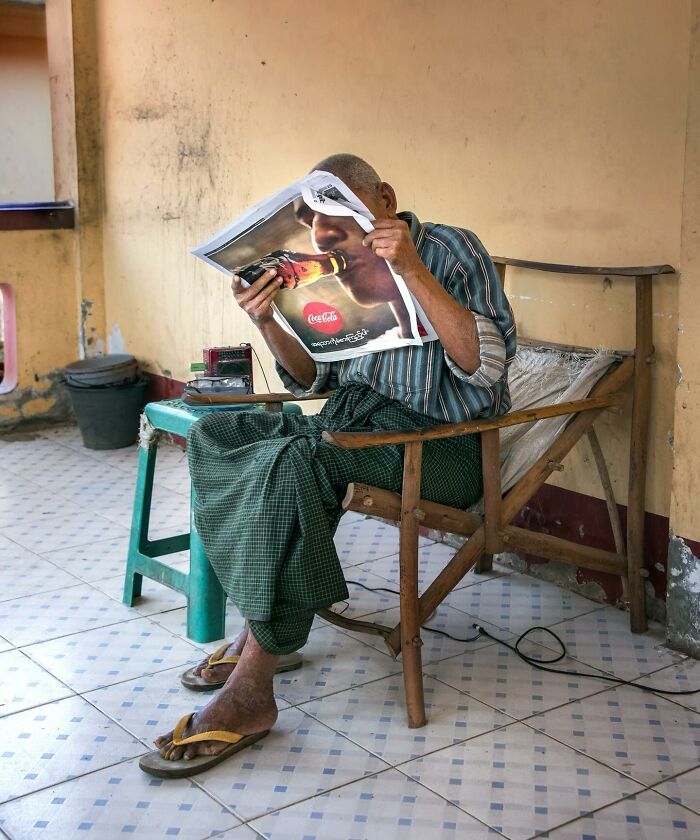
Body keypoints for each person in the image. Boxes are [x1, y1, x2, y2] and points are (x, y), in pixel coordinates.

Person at [139, 153, 516, 778]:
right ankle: (268, 626)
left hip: (445, 444)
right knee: (222, 435)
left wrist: (412, 269)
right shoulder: (328, 265)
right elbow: (312, 377)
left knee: (302, 462)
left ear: (386, 198)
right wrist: (265, 318)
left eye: (347, 212)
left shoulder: (452, 249)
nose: (334, 234)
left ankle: (254, 686)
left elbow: (488, 368)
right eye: (322, 224)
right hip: (354, 419)